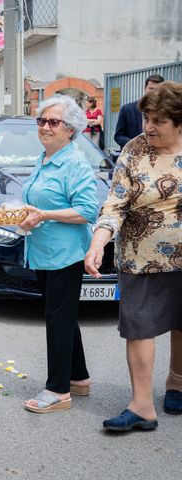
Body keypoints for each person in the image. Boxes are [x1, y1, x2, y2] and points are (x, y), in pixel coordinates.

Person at [85, 81, 182, 431]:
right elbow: (115, 202)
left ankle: (177, 381)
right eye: (146, 119)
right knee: (139, 326)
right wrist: (99, 241)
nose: (149, 127)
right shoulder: (134, 150)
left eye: (158, 121)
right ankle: (142, 406)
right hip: (140, 255)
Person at [19, 95, 98, 413]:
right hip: (44, 251)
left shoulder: (74, 162)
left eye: (54, 122)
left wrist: (44, 215)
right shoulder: (46, 157)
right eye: (42, 121)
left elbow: (88, 210)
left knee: (58, 317)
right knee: (63, 315)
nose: (45, 127)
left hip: (65, 253)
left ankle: (58, 390)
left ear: (71, 129)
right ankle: (78, 378)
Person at [114, 74, 165, 149]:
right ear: (145, 88)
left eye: (158, 89)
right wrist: (135, 144)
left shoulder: (167, 112)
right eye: (151, 88)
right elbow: (118, 136)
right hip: (133, 155)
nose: (154, 92)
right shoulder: (127, 109)